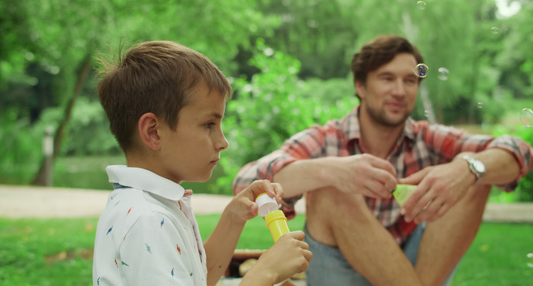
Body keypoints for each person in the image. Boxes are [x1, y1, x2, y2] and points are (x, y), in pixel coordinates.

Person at [233, 35, 533, 286]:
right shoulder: (326, 138)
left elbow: (518, 151)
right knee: (331, 188)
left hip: (410, 265)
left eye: (409, 81)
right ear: (360, 86)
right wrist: (331, 170)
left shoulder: (428, 138)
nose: (399, 91)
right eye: (387, 78)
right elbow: (245, 184)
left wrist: (467, 168)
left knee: (475, 169)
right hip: (339, 271)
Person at [92, 40, 312, 286]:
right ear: (154, 132)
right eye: (209, 124)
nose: (223, 142)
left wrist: (233, 218)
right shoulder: (147, 220)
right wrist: (267, 273)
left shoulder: (151, 204)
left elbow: (195, 277)